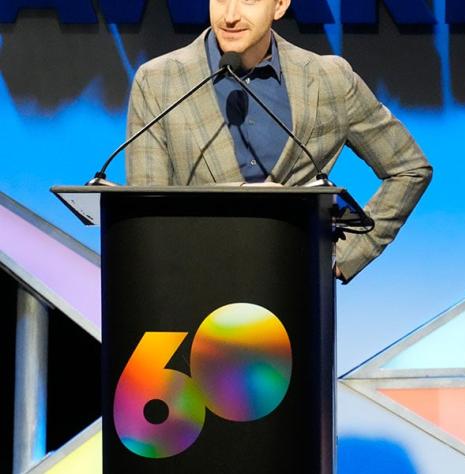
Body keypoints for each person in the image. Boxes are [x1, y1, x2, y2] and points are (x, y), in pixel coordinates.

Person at [125, 0, 432, 283]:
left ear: (280, 4)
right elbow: (146, 214)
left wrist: (347, 255)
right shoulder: (159, 81)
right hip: (192, 290)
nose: (230, 16)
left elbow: (409, 169)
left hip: (294, 296)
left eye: (248, 0)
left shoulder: (330, 80)